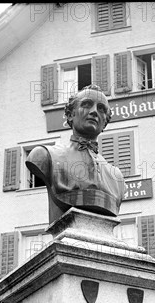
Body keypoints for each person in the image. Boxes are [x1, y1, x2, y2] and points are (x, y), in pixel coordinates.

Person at [26, 85, 126, 224]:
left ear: (105, 123)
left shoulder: (117, 177)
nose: (94, 112)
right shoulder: (45, 156)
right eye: (86, 105)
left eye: (101, 109)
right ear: (70, 115)